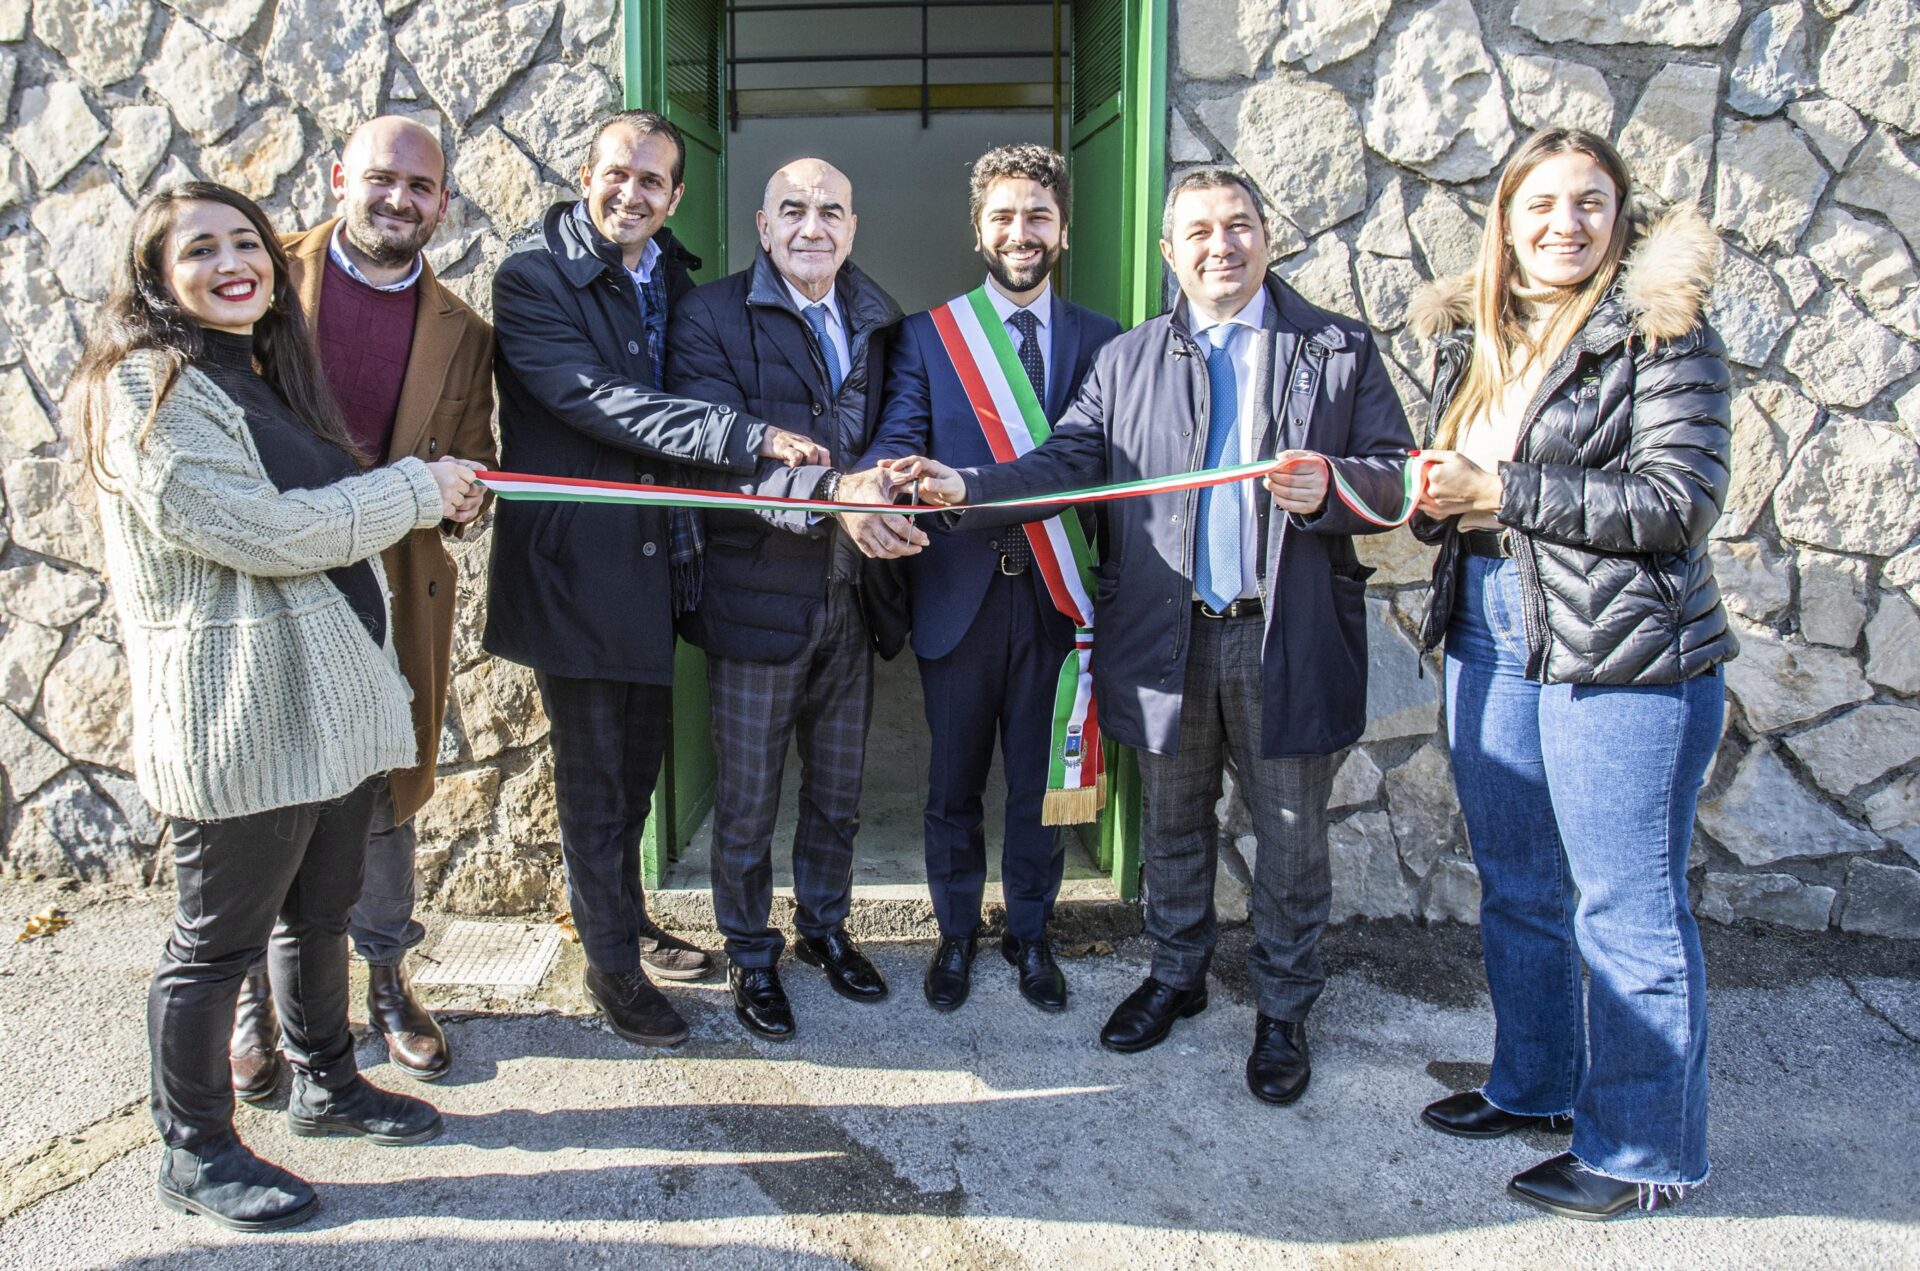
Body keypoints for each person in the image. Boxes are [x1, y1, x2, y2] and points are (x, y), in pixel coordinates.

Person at [897, 168, 1414, 1105]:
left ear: (1267, 236)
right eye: (1199, 232)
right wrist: (971, 487)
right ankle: (1176, 975)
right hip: (1166, 635)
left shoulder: (1336, 349)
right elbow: (1065, 462)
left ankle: (1283, 1011)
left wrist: (1334, 488)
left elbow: (1396, 475)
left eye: (1239, 225)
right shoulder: (1127, 358)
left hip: (1281, 637)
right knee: (1173, 823)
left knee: (1290, 839)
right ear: (1169, 251)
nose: (1222, 246)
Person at [74, 182, 482, 1231]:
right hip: (240, 720)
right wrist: (416, 487)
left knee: (319, 915)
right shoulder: (146, 388)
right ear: (154, 277)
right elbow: (266, 532)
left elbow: (314, 521)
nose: (232, 263)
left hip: (327, 713)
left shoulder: (261, 373)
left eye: (246, 242)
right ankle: (195, 1147)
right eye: (200, 249)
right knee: (215, 945)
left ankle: (327, 1081)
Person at [1404, 128, 1733, 1220]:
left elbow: (1678, 503)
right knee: (1520, 885)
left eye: (1590, 202)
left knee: (1627, 908)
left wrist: (1500, 490)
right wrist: (1427, 495)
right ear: (1504, 220)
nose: (1565, 224)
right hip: (1490, 621)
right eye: (1540, 203)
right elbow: (1459, 487)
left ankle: (1644, 1152)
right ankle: (1537, 1083)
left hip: (1624, 647)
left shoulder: (1662, 332)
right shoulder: (1477, 334)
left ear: (1620, 215)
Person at [484, 112, 825, 1049]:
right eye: (616, 173)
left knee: (635, 776)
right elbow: (604, 403)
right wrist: (746, 435)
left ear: (674, 196)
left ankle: (625, 923)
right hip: (576, 572)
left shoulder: (670, 274)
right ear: (584, 174)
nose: (629, 194)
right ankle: (610, 969)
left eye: (650, 182)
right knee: (596, 785)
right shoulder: (533, 279)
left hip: (655, 567)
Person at [226, 115, 499, 1096]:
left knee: (386, 790)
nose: (399, 199)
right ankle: (256, 999)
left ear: (443, 204)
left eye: (421, 188)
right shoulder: (259, 274)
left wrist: (470, 494)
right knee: (265, 790)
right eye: (383, 178)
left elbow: (472, 455)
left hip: (386, 591)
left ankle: (386, 980)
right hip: (264, 580)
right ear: (340, 177)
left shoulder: (464, 331)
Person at [861, 144, 1121, 1013]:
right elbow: (899, 433)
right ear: (977, 230)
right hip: (959, 596)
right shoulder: (929, 337)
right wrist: (895, 474)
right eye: (1003, 216)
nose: (1021, 232)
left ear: (1064, 230)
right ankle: (955, 932)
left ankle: (1032, 933)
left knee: (1043, 785)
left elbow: (1105, 465)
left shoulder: (1105, 340)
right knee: (953, 785)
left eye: (1038, 215)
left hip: (1058, 596)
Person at [666, 158, 906, 1041]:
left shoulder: (880, 319)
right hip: (755, 597)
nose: (814, 226)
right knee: (748, 798)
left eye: (832, 211)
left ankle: (824, 927)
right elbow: (717, 454)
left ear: (853, 227)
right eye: (793, 210)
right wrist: (838, 496)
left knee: (838, 789)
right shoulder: (710, 316)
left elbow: (894, 433)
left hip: (854, 594)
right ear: (763, 227)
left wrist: (894, 485)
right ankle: (749, 950)